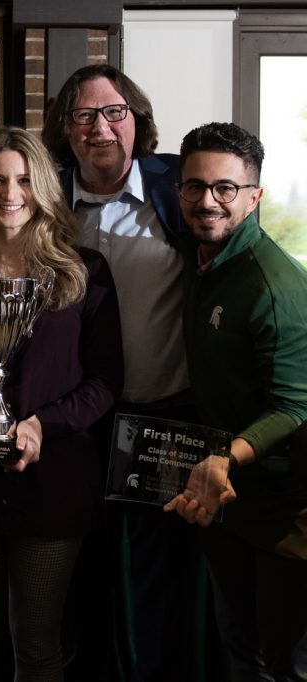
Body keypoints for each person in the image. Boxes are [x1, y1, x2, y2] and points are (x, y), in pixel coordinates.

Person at [0, 126, 122, 681]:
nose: (9, 193)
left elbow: (106, 381)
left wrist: (44, 425)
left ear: (42, 187)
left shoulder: (85, 273)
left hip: (54, 485)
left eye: (23, 180)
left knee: (39, 651)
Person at [42, 64, 201, 681]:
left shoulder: (178, 186)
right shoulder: (44, 198)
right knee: (75, 575)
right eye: (83, 115)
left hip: (164, 417)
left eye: (114, 112)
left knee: (155, 586)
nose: (99, 127)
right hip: (78, 423)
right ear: (65, 128)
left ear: (137, 120)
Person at [164, 121, 307, 681]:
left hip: (284, 504)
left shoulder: (274, 285)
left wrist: (227, 457)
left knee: (285, 663)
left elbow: (295, 407)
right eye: (195, 187)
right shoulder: (200, 260)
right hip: (225, 495)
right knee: (240, 650)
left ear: (254, 196)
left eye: (226, 188)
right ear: (179, 192)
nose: (208, 201)